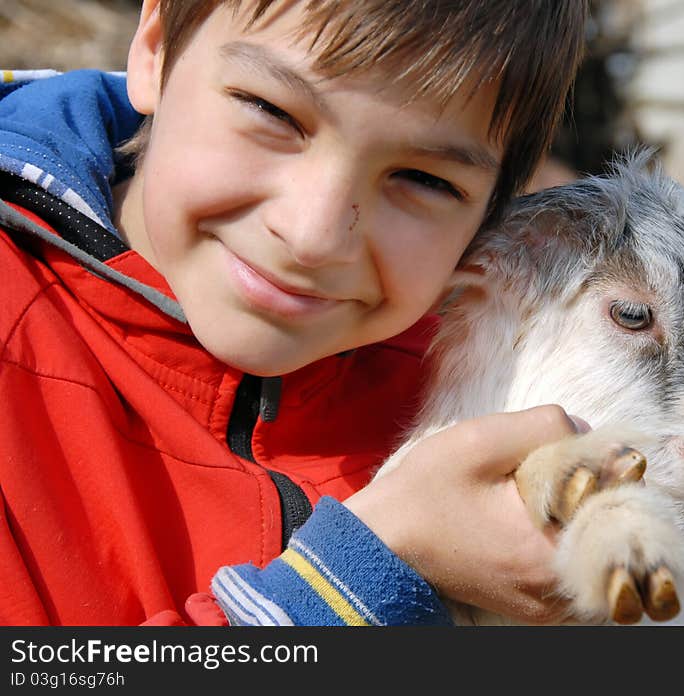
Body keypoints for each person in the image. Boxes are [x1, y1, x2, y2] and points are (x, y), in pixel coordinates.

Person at [0, 0, 588, 626]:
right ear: (155, 48)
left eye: (424, 179)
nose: (315, 237)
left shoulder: (492, 386)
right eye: (271, 111)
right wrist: (367, 575)